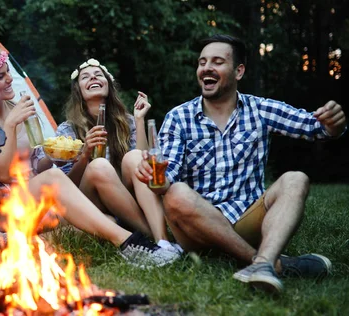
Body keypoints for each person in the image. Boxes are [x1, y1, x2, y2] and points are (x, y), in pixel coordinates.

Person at [135, 34, 346, 293]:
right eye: (202, 62)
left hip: (248, 218)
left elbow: (316, 127)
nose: (206, 68)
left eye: (217, 62)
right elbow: (168, 179)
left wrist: (334, 124)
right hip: (198, 227)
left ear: (239, 71)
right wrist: (155, 178)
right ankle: (271, 264)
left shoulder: (260, 109)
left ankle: (264, 263)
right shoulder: (179, 117)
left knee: (296, 179)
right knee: (176, 193)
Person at [0, 47, 179, 268]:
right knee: (59, 184)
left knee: (104, 221)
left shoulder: (18, 109)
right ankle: (129, 243)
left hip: (38, 204)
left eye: (8, 72)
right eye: (0, 76)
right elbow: (3, 172)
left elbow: (38, 164)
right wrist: (10, 125)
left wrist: (58, 154)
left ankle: (157, 244)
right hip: (2, 212)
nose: (9, 79)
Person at [56, 58, 182, 260]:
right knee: (98, 166)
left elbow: (144, 168)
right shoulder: (67, 129)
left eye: (98, 74)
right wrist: (85, 153)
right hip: (90, 201)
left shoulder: (127, 122)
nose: (93, 77)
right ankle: (150, 239)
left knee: (134, 157)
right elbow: (64, 187)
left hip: (124, 199)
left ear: (108, 84)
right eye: (85, 77)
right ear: (78, 90)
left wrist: (139, 120)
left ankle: (162, 243)